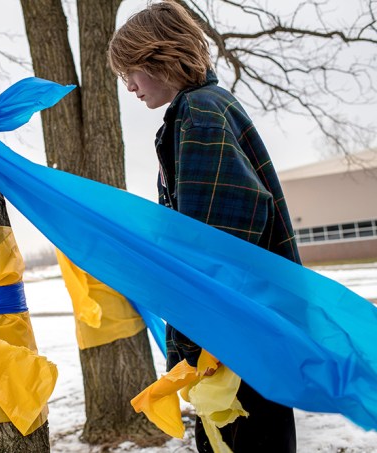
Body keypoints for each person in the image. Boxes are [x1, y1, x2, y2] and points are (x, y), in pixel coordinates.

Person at [108, 2, 299, 452]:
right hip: (246, 336)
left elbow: (215, 242)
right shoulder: (208, 108)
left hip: (235, 342)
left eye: (131, 70)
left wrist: (194, 346)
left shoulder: (199, 114)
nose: (129, 86)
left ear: (161, 56)